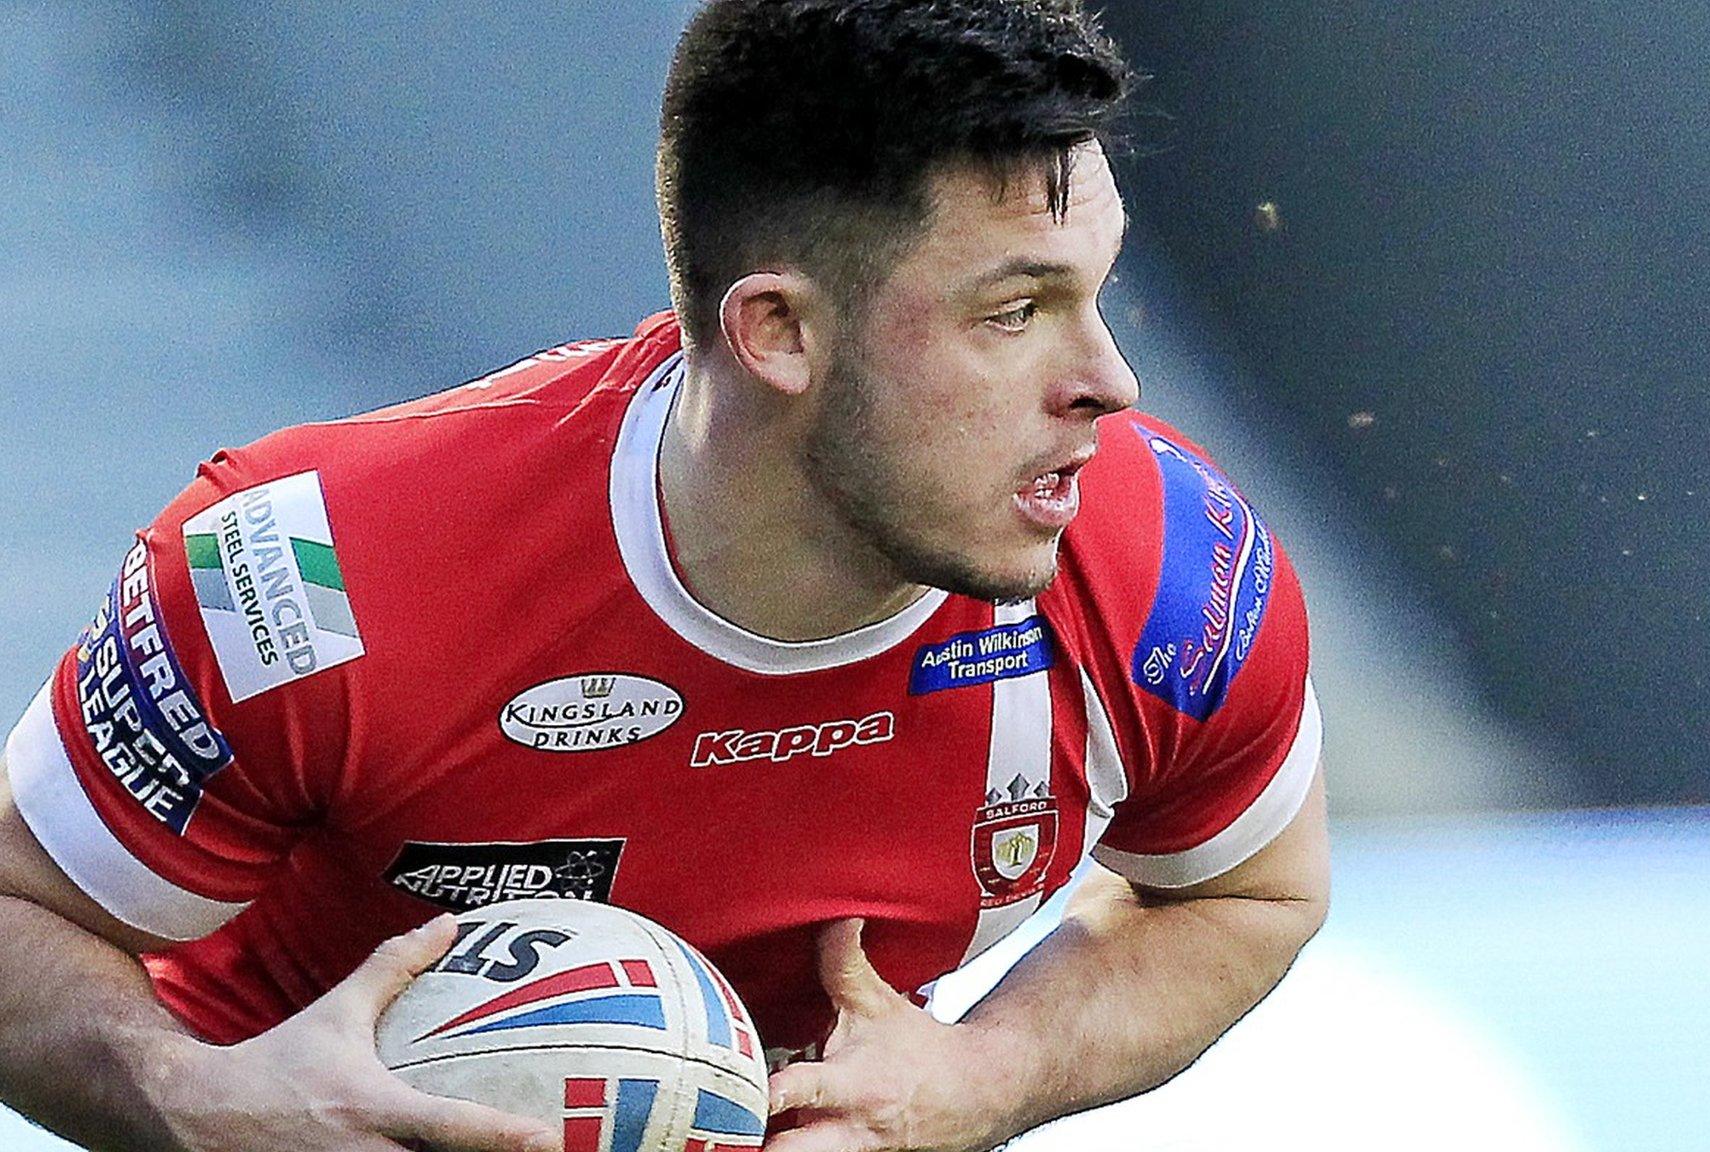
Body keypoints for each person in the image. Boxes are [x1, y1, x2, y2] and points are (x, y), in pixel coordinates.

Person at [0, 1, 1330, 1149]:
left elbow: (1249, 890)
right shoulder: (302, 578)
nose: (1109, 382)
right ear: (779, 333)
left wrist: (997, 1071)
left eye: (1095, 293)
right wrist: (196, 1102)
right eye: (1014, 311)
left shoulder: (1170, 574)